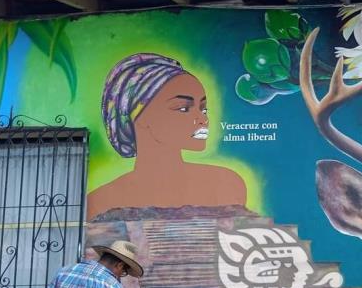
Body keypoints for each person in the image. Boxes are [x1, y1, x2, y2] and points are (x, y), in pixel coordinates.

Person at [87, 53, 247, 220]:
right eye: (183, 108)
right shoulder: (101, 202)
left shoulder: (227, 184)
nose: (203, 119)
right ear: (140, 118)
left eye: (203, 109)